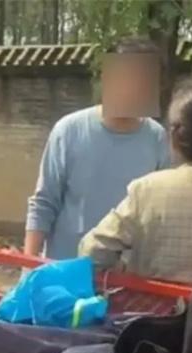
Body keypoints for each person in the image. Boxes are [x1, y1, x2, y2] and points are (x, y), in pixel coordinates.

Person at [79, 78, 192, 285]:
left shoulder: (147, 191)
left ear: (175, 136)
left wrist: (122, 271)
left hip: (154, 306)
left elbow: (91, 252)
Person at [24, 38, 170, 260]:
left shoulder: (157, 139)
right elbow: (44, 203)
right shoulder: (69, 130)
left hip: (126, 274)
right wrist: (28, 265)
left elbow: (158, 212)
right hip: (67, 266)